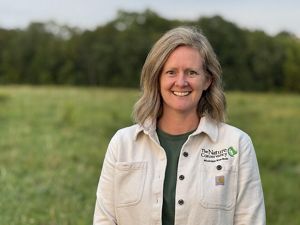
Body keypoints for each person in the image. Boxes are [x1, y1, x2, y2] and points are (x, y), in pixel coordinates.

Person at [93, 26, 266, 225]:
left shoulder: (237, 144)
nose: (181, 82)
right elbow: (104, 219)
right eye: (171, 72)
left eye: (191, 72)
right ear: (157, 78)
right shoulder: (122, 144)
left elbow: (250, 220)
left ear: (207, 80)